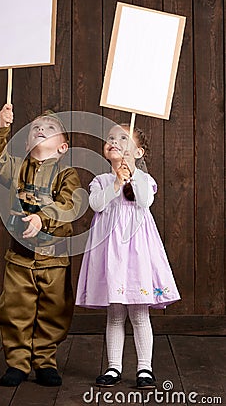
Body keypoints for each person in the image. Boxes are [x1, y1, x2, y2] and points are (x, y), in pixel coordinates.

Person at [0, 104, 82, 387]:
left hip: (54, 260)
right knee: (15, 308)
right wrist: (3, 128)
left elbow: (70, 204)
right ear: (27, 142)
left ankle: (45, 360)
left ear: (62, 147)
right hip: (20, 257)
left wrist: (42, 217)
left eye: (50, 129)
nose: (41, 130)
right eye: (36, 128)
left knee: (54, 311)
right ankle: (17, 362)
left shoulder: (67, 173)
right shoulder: (17, 167)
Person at [75, 123, 180, 389]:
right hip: (112, 254)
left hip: (136, 254)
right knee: (115, 314)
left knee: (139, 314)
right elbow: (96, 204)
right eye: (110, 137)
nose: (114, 141)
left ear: (138, 152)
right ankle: (114, 368)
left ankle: (145, 368)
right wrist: (116, 184)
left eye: (123, 138)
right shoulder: (100, 181)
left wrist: (131, 177)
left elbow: (144, 201)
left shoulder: (145, 181)